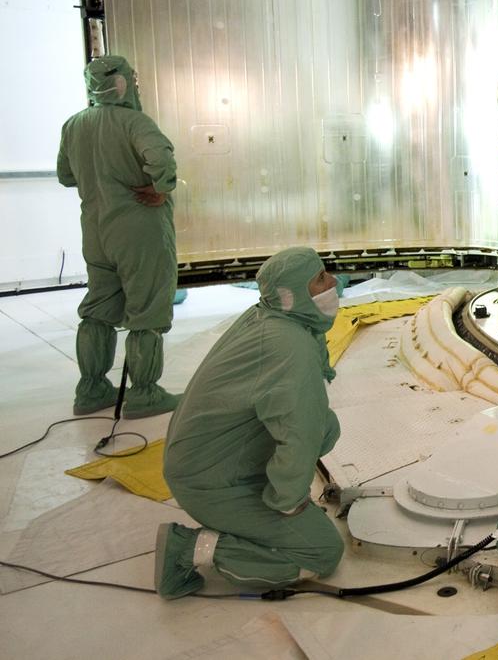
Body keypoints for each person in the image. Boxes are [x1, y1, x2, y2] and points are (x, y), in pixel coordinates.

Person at [155, 247, 344, 599]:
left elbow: (311, 424)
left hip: (205, 460)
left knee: (325, 425)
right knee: (320, 552)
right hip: (211, 482)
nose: (332, 282)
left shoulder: (270, 317)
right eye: (320, 278)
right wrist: (288, 502)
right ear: (292, 295)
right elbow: (298, 433)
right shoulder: (289, 346)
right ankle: (185, 548)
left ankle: (266, 505)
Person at [57, 55, 181, 419]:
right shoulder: (135, 123)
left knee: (98, 306)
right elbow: (160, 158)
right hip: (137, 230)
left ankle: (92, 388)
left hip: (95, 231)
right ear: (124, 83)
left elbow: (66, 176)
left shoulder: (73, 125)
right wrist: (161, 187)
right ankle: (143, 394)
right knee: (146, 307)